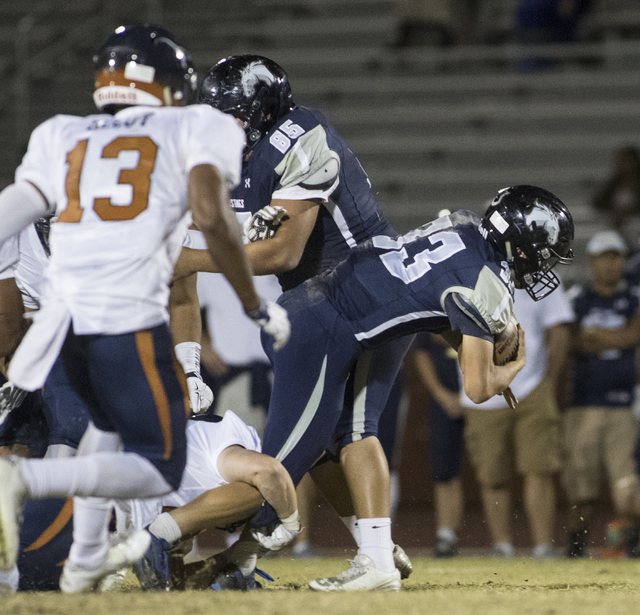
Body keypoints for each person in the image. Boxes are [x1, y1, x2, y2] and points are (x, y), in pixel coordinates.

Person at [0, 24, 289, 593]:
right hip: (123, 320)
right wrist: (254, 302)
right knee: (156, 462)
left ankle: (83, 558)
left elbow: (11, 212)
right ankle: (24, 481)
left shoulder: (61, 134)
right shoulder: (187, 132)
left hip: (62, 330)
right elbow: (210, 219)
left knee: (102, 432)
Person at [213, 185, 574, 590]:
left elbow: (434, 305)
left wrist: (479, 344)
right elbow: (475, 389)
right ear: (521, 244)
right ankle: (175, 535)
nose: (545, 266)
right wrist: (508, 373)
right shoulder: (487, 283)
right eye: (544, 253)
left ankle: (375, 554)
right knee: (280, 464)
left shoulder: (465, 226)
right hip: (323, 325)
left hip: (357, 318)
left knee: (342, 439)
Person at [175, 54, 417, 587]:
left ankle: (203, 546)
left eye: (229, 114)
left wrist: (185, 257)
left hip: (359, 291)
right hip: (323, 301)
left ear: (261, 113)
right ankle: (374, 546)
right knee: (337, 434)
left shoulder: (299, 133)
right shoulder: (229, 157)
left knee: (297, 449)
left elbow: (282, 252)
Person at [460, 283, 572, 559]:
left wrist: (549, 382)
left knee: (539, 469)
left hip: (531, 386)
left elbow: (559, 331)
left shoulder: (538, 278)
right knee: (492, 474)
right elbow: (441, 331)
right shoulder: (464, 274)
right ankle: (502, 546)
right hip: (484, 390)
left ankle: (543, 546)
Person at [563, 230, 640, 557]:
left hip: (624, 405)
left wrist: (597, 336)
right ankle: (576, 545)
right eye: (604, 257)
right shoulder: (578, 296)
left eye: (616, 256)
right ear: (592, 260)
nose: (611, 264)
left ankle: (634, 543)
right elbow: (572, 342)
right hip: (583, 404)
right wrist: (619, 337)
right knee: (581, 488)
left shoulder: (635, 297)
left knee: (627, 484)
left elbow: (632, 337)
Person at [411, 332, 465, 558]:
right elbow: (421, 352)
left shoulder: (484, 305)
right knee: (444, 468)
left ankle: (503, 542)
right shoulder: (433, 303)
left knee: (492, 470)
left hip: (483, 397)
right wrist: (442, 395)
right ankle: (446, 534)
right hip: (445, 399)